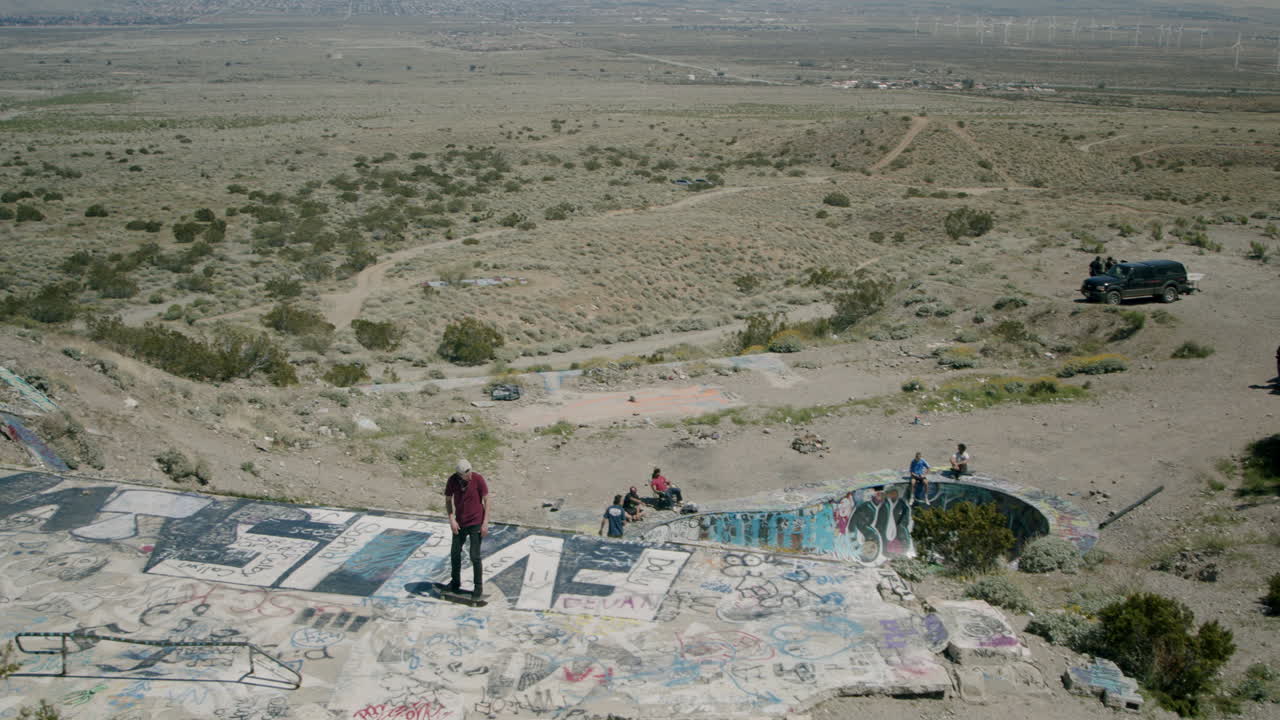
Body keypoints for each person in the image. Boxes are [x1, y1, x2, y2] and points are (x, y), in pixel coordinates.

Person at [444, 458, 488, 598]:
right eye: (466, 473)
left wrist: (485, 522)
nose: (470, 475)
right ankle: (455, 582)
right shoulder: (452, 481)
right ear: (459, 474)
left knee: (474, 555)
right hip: (460, 523)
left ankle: (478, 586)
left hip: (476, 522)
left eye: (470, 471)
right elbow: (448, 499)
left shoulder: (478, 479)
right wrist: (452, 519)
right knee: (455, 553)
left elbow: (487, 499)